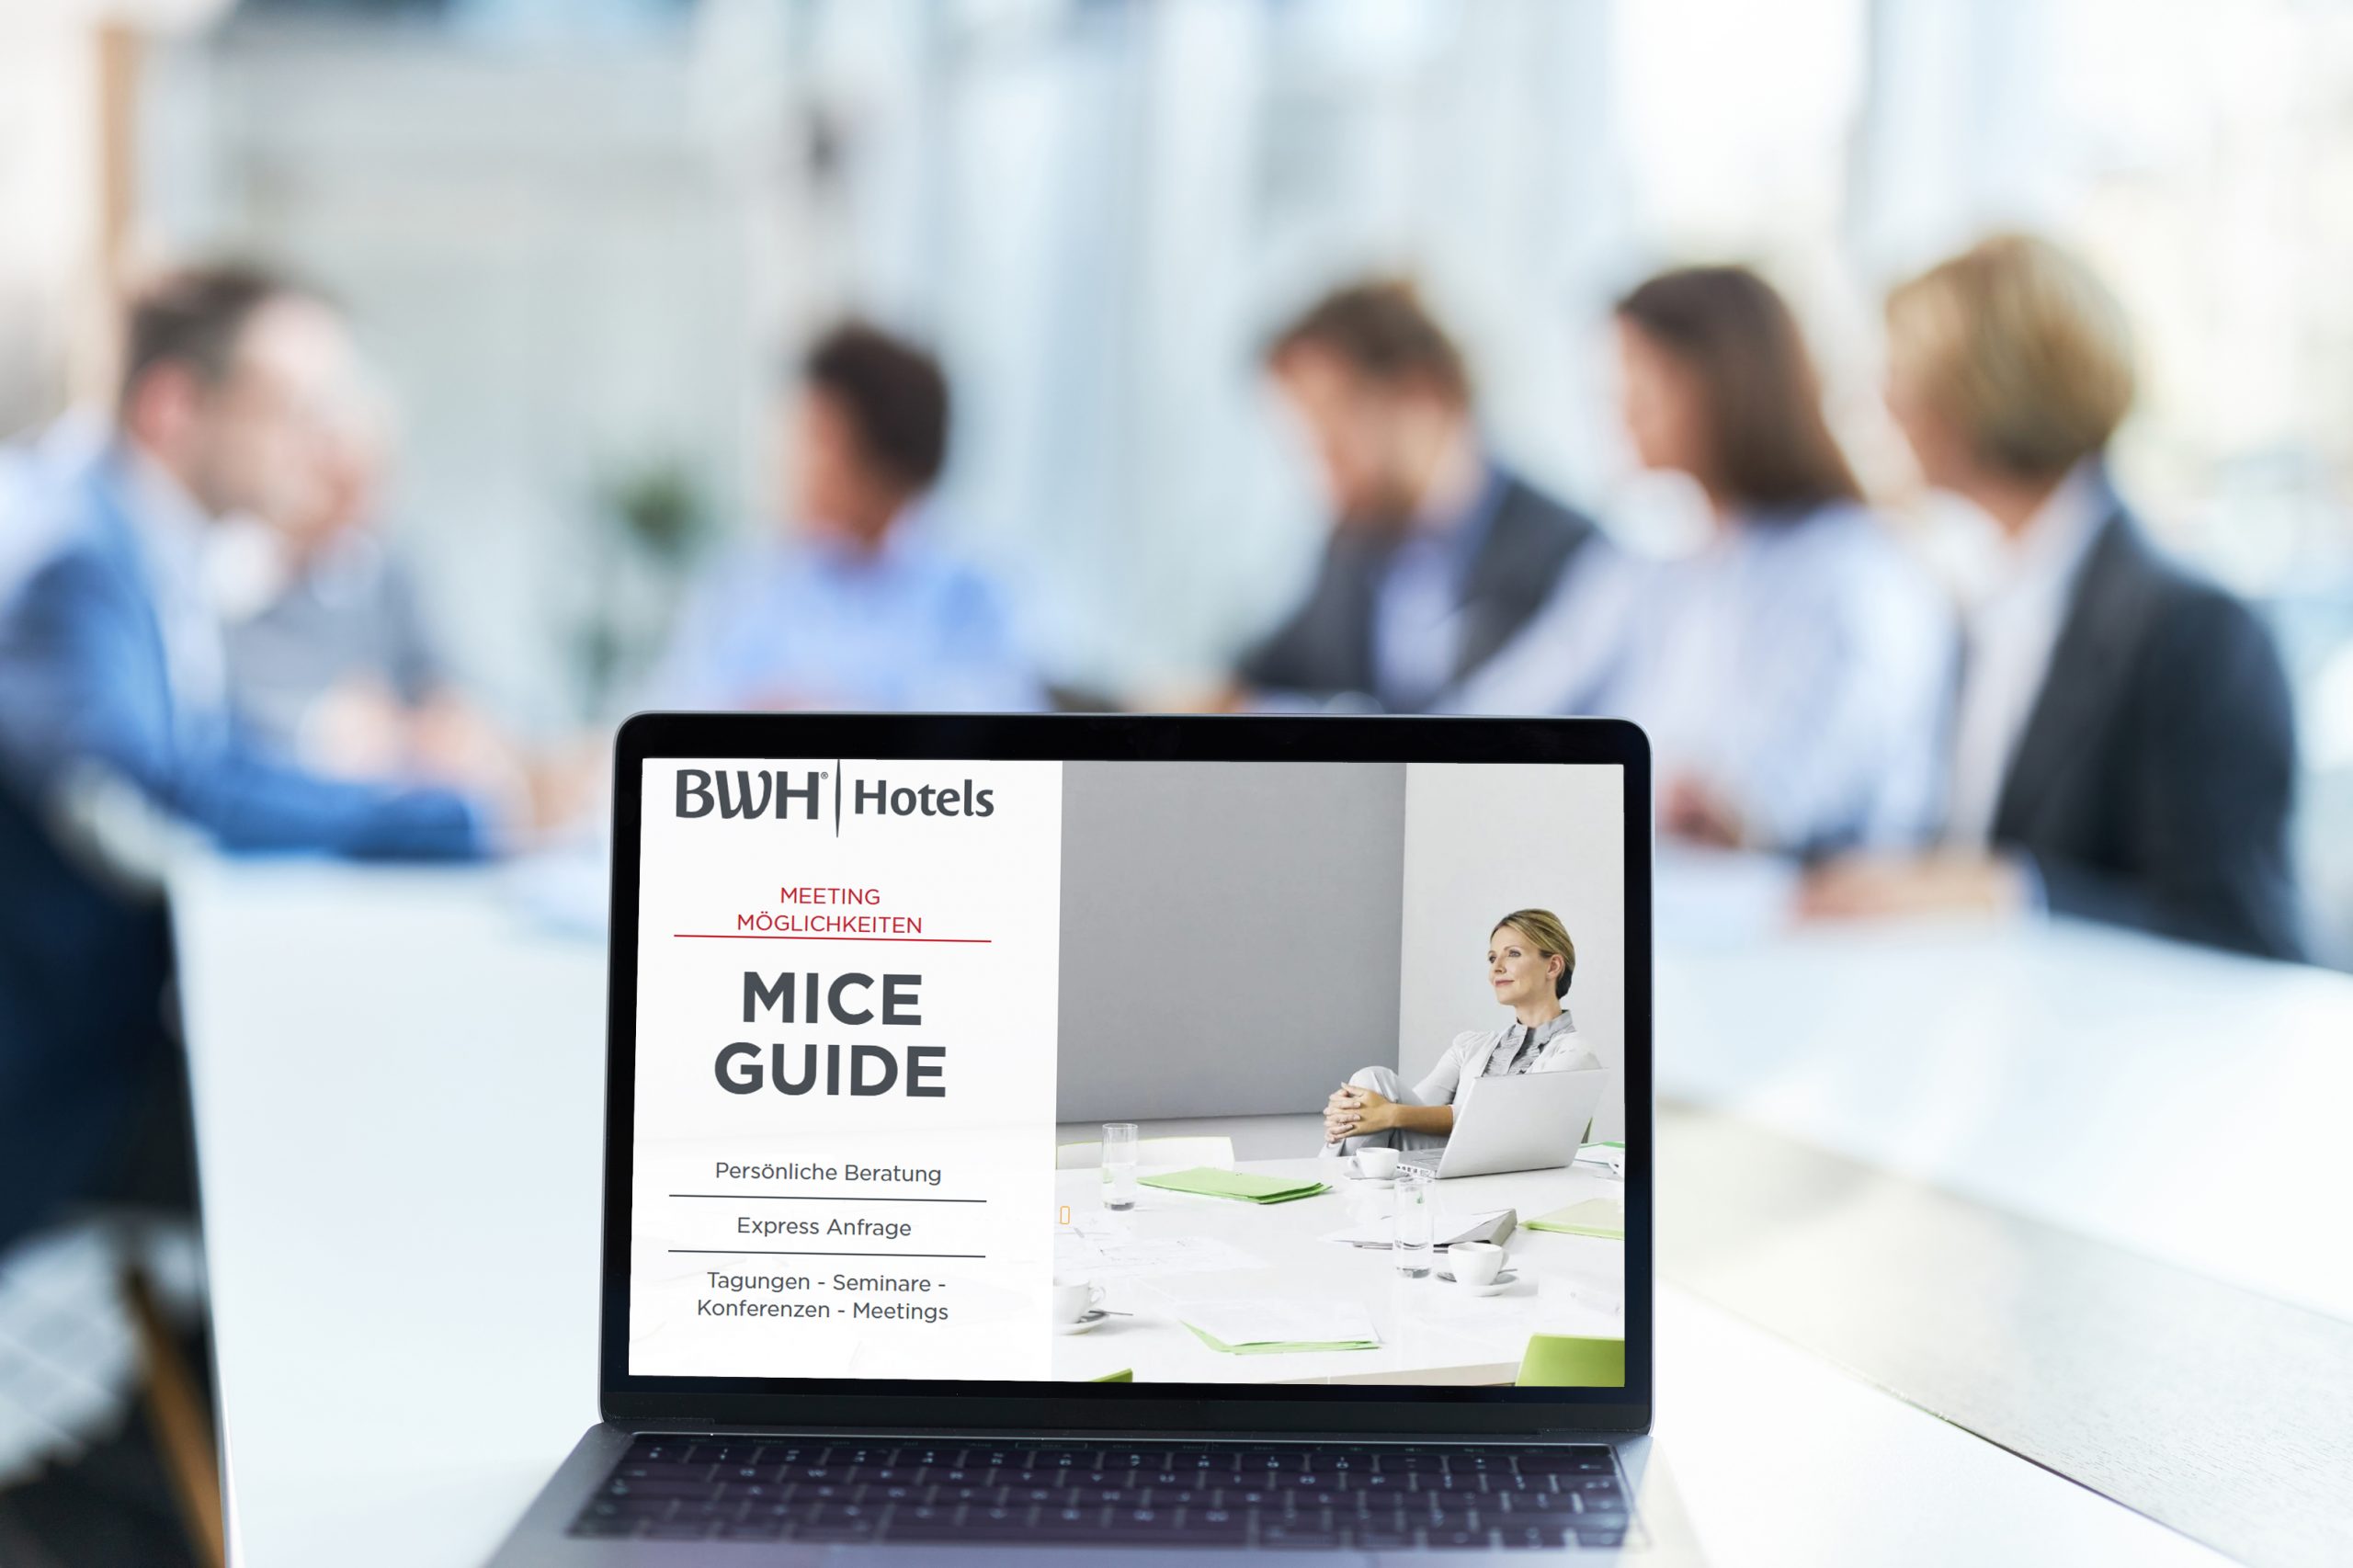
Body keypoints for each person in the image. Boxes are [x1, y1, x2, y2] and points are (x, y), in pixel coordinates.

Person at [0, 265, 494, 1247]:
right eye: (294, 409)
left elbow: (213, 752)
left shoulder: (137, 537)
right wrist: (425, 818)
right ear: (175, 405)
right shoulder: (77, 551)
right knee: (356, 1142)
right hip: (54, 1074)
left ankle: (158, 1404)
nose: (322, 445)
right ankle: (181, 1403)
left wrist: (416, 797)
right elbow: (152, 785)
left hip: (97, 1040)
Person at [1802, 235, 2303, 960]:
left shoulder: (2196, 631)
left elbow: (2233, 928)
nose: (1881, 399)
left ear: (1990, 388)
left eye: (1906, 370)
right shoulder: (1985, 606)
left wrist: (2005, 892)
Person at [1456, 266, 1953, 855]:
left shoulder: (1857, 570)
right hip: (1648, 880)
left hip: (1784, 913)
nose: (1621, 408)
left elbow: (1765, 805)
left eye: (1645, 379)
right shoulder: (1647, 570)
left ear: (1726, 384)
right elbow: (1496, 713)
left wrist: (1693, 806)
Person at [1233, 280, 1603, 713]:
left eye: (1335, 432)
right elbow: (1264, 675)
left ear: (1422, 394)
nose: (1321, 467)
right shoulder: (1353, 549)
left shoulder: (1573, 562)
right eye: (1310, 442)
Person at [645, 322, 1039, 712]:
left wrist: (827, 717)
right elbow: (672, 713)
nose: (796, 463)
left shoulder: (976, 597)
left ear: (888, 458)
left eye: (819, 441)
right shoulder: (748, 582)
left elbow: (1002, 734)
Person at [217, 369, 516, 790]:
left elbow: (444, 684)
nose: (350, 512)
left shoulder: (385, 571)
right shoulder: (227, 563)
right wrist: (320, 725)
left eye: (363, 488)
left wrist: (447, 725)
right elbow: (209, 706)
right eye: (333, 480)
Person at [1322, 909, 1601, 1158]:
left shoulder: (1574, 1055)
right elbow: (1416, 1108)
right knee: (1372, 1080)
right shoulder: (1470, 1046)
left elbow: (1509, 1124)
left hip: (1508, 1174)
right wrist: (1362, 1109)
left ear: (1553, 966)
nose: (1496, 967)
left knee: (1373, 1101)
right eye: (1493, 957)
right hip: (1444, 1164)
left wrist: (1388, 1114)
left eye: (1512, 953)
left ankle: (1327, 1188)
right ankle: (1333, 1186)